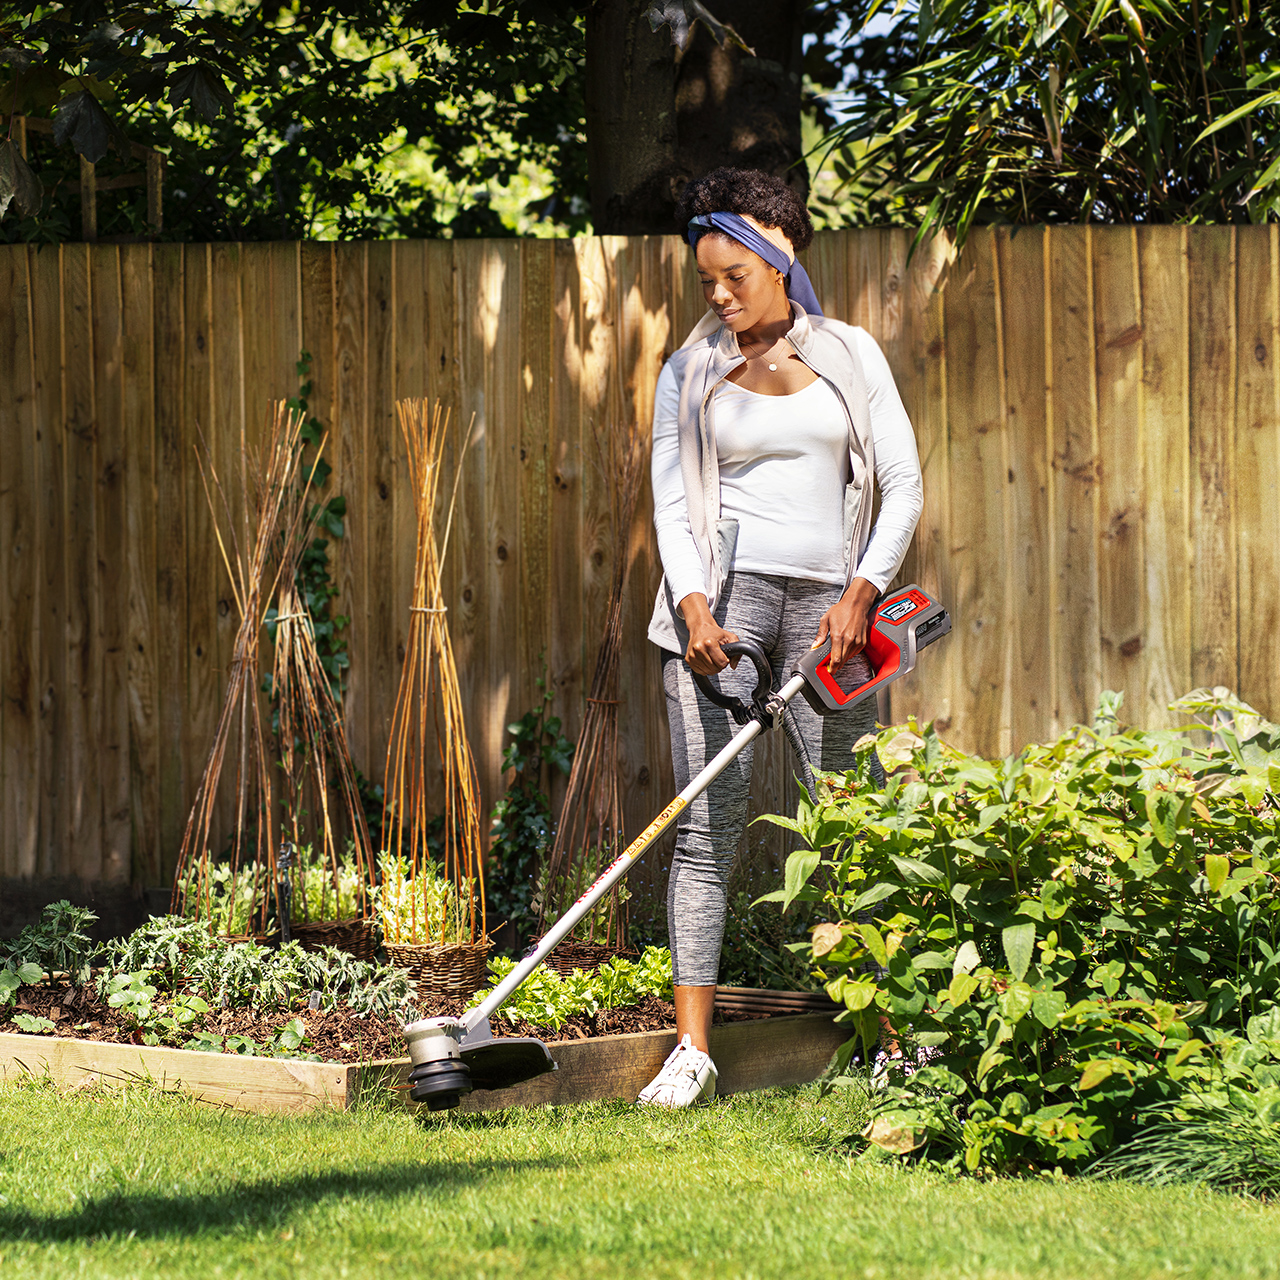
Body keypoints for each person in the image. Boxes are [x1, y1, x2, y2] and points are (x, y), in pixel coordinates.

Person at [635, 167, 924, 1108]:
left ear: (779, 248)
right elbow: (673, 504)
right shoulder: (691, 369)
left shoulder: (851, 354)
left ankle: (887, 1041)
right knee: (707, 828)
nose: (718, 297)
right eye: (707, 282)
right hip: (720, 608)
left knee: (851, 824)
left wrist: (861, 594)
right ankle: (693, 1052)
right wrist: (693, 612)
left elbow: (903, 484)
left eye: (734, 277)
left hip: (831, 613)